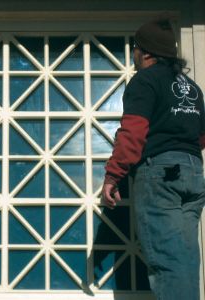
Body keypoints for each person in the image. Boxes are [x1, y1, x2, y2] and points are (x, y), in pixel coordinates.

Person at [101, 15, 205, 300]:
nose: (133, 53)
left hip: (161, 174)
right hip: (193, 174)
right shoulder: (191, 89)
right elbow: (201, 136)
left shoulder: (144, 81)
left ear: (144, 51)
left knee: (168, 263)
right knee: (183, 262)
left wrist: (113, 175)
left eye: (135, 47)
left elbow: (133, 132)